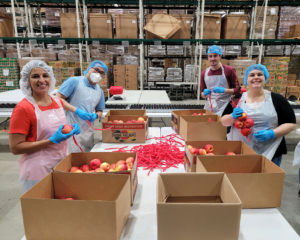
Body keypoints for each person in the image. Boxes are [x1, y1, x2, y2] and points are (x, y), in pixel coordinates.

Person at [9, 60, 91, 192]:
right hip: (37, 169)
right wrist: (51, 141)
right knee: (42, 209)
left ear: (51, 78)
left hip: (60, 162)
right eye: (35, 76)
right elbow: (15, 148)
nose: (42, 80)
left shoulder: (57, 101)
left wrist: (71, 128)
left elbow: (57, 125)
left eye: (45, 75)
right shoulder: (23, 108)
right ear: (27, 80)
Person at [221, 64, 296, 166]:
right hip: (240, 151)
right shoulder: (237, 99)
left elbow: (291, 123)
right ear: (246, 80)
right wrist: (232, 116)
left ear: (265, 77)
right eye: (252, 75)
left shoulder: (277, 99)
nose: (256, 77)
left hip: (270, 151)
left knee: (267, 181)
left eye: (260, 74)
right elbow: (223, 122)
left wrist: (272, 133)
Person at [56, 60, 107, 153]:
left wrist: (96, 116)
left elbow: (100, 110)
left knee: (85, 158)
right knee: (70, 157)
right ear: (88, 68)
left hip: (87, 130)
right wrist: (76, 110)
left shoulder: (99, 91)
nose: (97, 73)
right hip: (70, 127)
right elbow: (57, 99)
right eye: (95, 69)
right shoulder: (74, 81)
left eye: (101, 73)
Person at [201, 45, 241, 116]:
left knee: (223, 125)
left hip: (226, 105)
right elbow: (202, 94)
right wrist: (204, 94)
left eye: (215, 56)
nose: (213, 58)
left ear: (220, 56)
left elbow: (237, 90)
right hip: (210, 105)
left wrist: (223, 90)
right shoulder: (204, 73)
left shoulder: (229, 70)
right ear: (207, 57)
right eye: (210, 56)